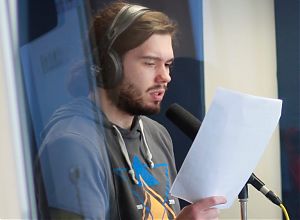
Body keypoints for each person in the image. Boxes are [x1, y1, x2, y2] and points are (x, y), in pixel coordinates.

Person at [37, 1, 227, 219]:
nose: (165, 77)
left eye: (167, 64)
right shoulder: (72, 145)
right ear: (109, 65)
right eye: (149, 63)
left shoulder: (156, 134)